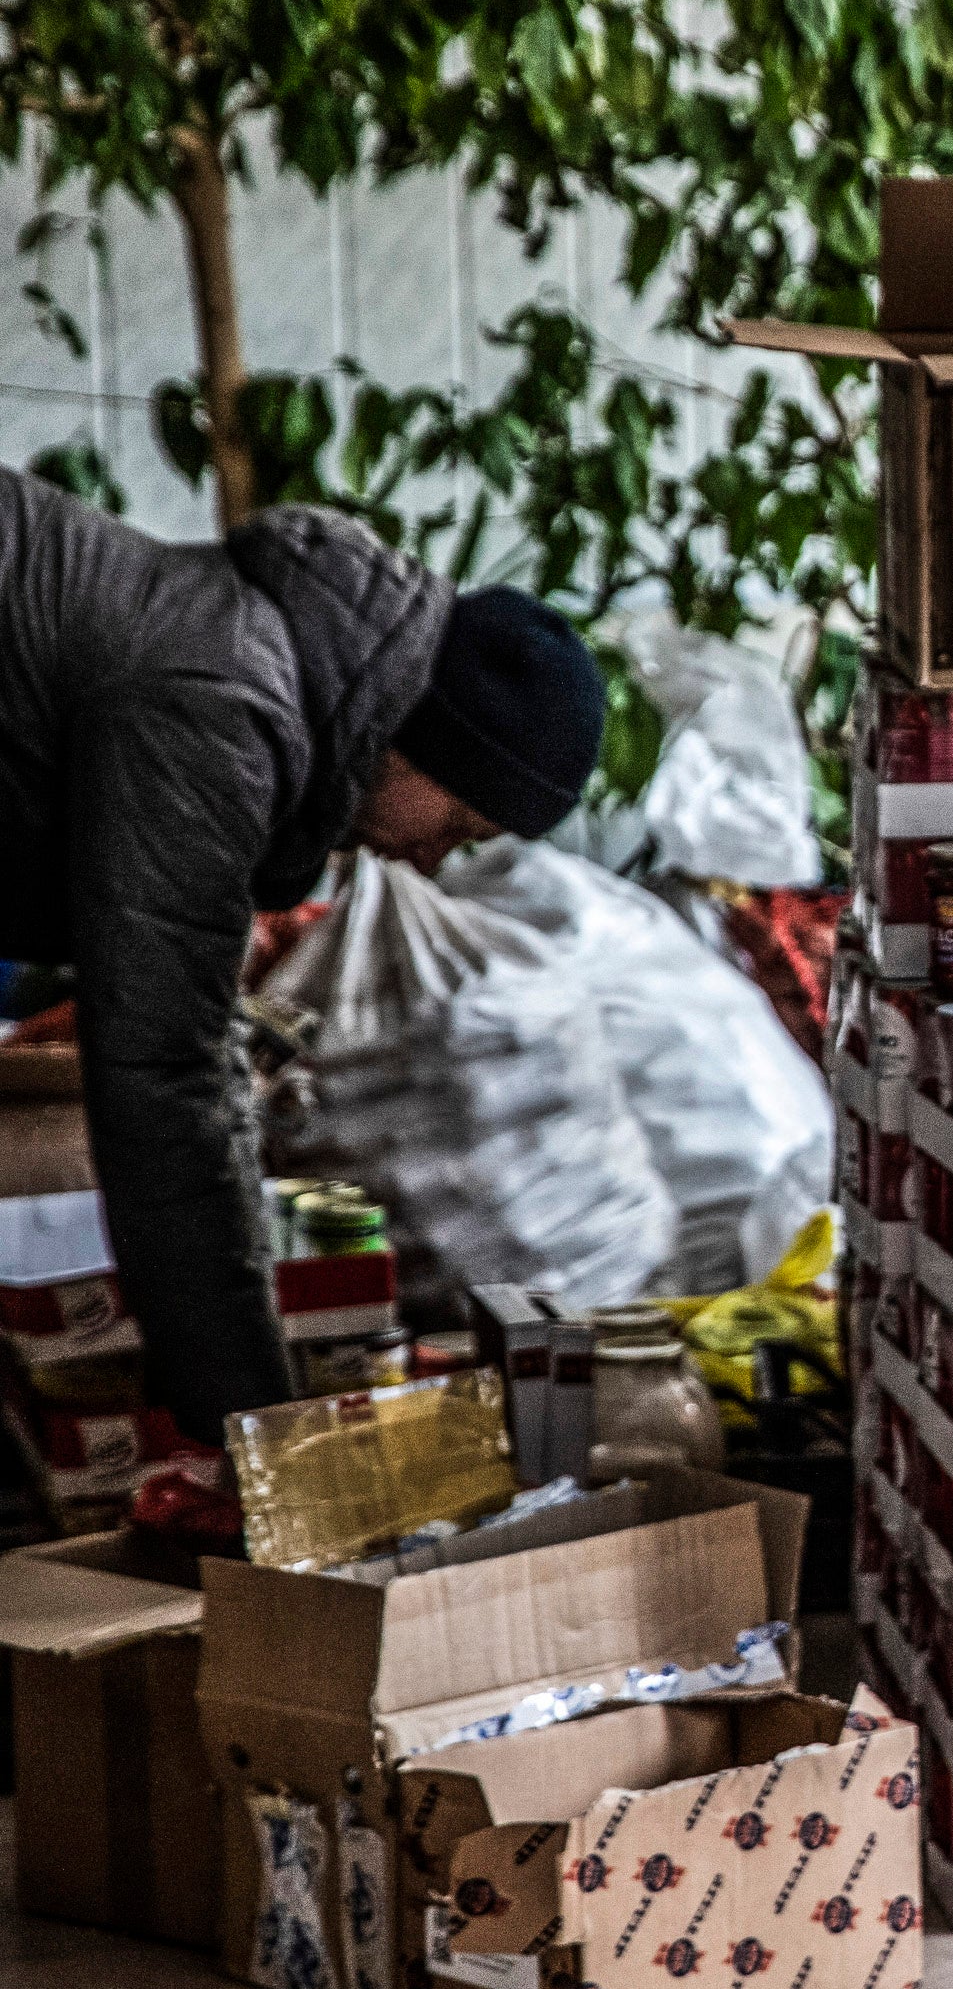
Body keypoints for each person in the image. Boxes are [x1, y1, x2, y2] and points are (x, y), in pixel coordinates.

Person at [0, 470, 606, 1443]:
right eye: (459, 823)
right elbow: (164, 1078)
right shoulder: (226, 707)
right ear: (420, 746)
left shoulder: (250, 671)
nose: (433, 859)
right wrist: (255, 1436)